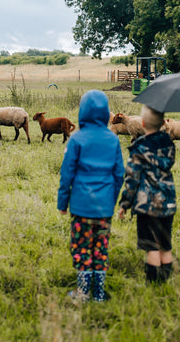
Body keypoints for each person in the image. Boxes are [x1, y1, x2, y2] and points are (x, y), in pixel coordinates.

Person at [57, 90, 125, 303]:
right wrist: (111, 200)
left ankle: (83, 292)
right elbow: (119, 174)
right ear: (106, 113)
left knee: (82, 248)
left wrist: (62, 202)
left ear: (82, 112)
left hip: (80, 208)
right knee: (100, 248)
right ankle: (99, 293)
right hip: (104, 209)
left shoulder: (76, 139)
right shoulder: (112, 140)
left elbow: (67, 173)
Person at [118, 105, 177, 284]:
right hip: (167, 203)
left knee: (151, 246)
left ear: (142, 123)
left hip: (147, 205)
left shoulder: (139, 147)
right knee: (165, 246)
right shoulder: (168, 145)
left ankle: (154, 285)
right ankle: (166, 281)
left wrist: (124, 204)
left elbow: (132, 178)